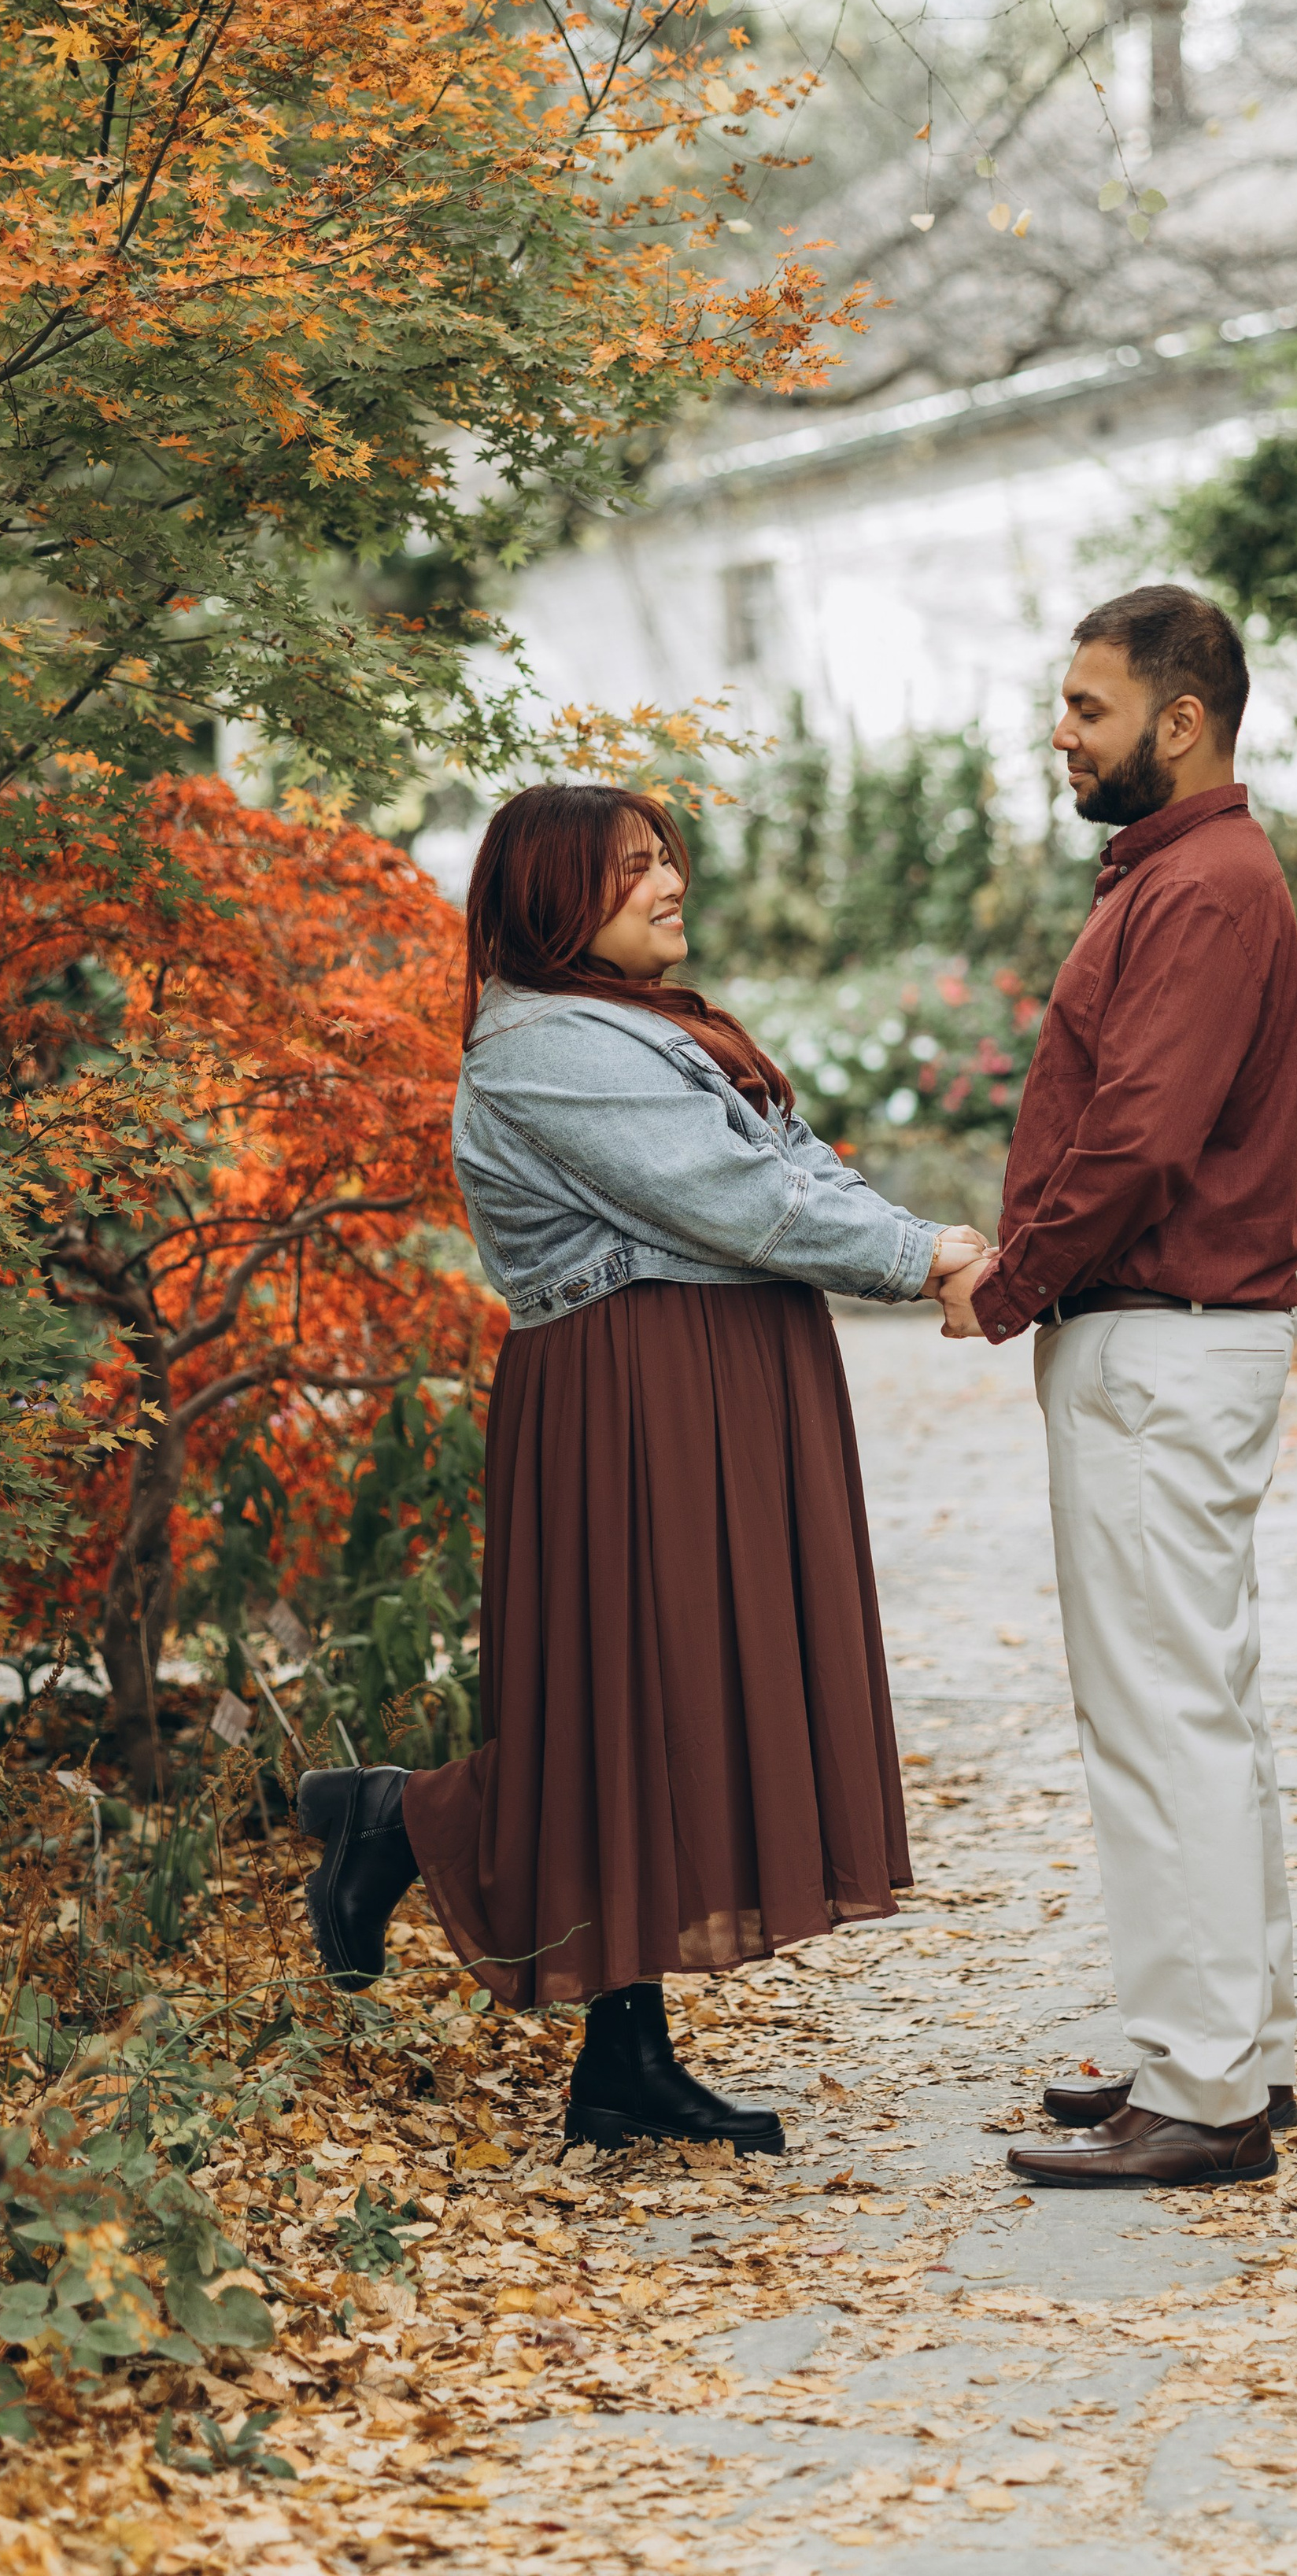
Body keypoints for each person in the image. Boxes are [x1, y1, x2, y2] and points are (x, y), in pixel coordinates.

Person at [296, 784, 988, 2155]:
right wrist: (934, 1260)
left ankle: (622, 2061)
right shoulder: (548, 1048)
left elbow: (796, 1170)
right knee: (643, 1697)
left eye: (667, 855)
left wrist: (935, 1241)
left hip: (708, 1380)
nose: (670, 881)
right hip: (636, 1394)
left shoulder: (649, 1026)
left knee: (692, 1698)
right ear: (558, 900)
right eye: (631, 868)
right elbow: (742, 1200)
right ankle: (396, 1821)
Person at [939, 585, 1297, 2191]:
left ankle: (1208, 2096)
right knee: (1194, 1710)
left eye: (1086, 708)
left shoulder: (1204, 888)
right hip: (1171, 1342)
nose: (1059, 731)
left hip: (1160, 1339)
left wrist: (1008, 1284)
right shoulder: (1185, 875)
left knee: (1159, 1719)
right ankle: (1224, 2058)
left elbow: (1142, 1134)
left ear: (1179, 720)